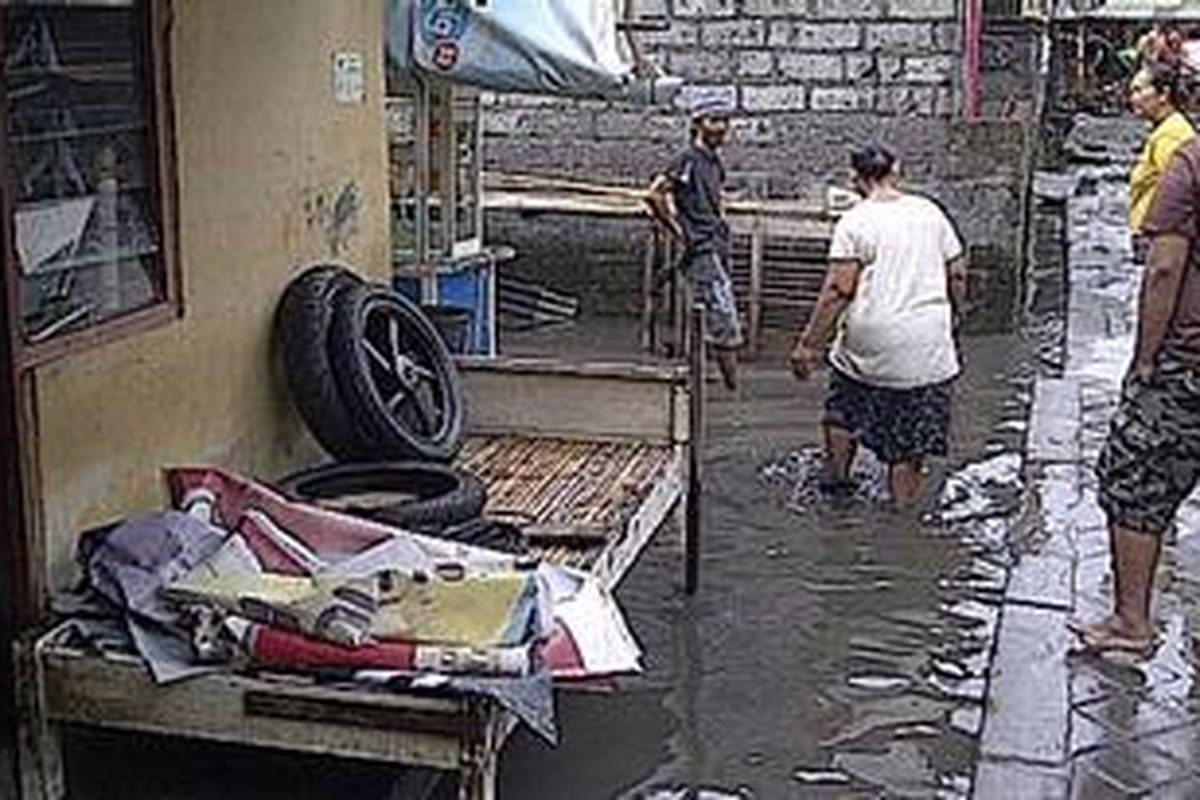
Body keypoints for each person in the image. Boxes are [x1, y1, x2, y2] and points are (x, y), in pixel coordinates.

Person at [1076, 137, 1200, 655]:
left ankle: (1132, 622)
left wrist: (1145, 358)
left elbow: (1164, 269)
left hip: (1187, 367)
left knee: (1136, 482)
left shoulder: (1192, 161)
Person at [790, 145, 967, 505]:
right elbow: (958, 273)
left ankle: (837, 486)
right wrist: (953, 316)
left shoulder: (854, 221)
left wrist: (809, 344)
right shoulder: (930, 212)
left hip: (870, 339)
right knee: (909, 444)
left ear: (855, 179)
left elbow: (839, 289)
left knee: (843, 409)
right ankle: (901, 521)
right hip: (925, 344)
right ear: (896, 170)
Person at [644, 94, 743, 390]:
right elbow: (655, 194)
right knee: (722, 316)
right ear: (698, 124)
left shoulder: (714, 163)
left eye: (725, 121)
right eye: (715, 121)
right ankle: (733, 390)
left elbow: (715, 201)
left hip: (715, 243)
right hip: (701, 248)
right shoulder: (687, 159)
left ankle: (716, 382)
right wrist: (678, 230)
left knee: (715, 312)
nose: (721, 128)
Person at [1128, 61, 1194, 241]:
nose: (1133, 98)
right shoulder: (1165, 130)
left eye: (1139, 90)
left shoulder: (1171, 135)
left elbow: (1179, 193)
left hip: (1162, 237)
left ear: (1163, 94)